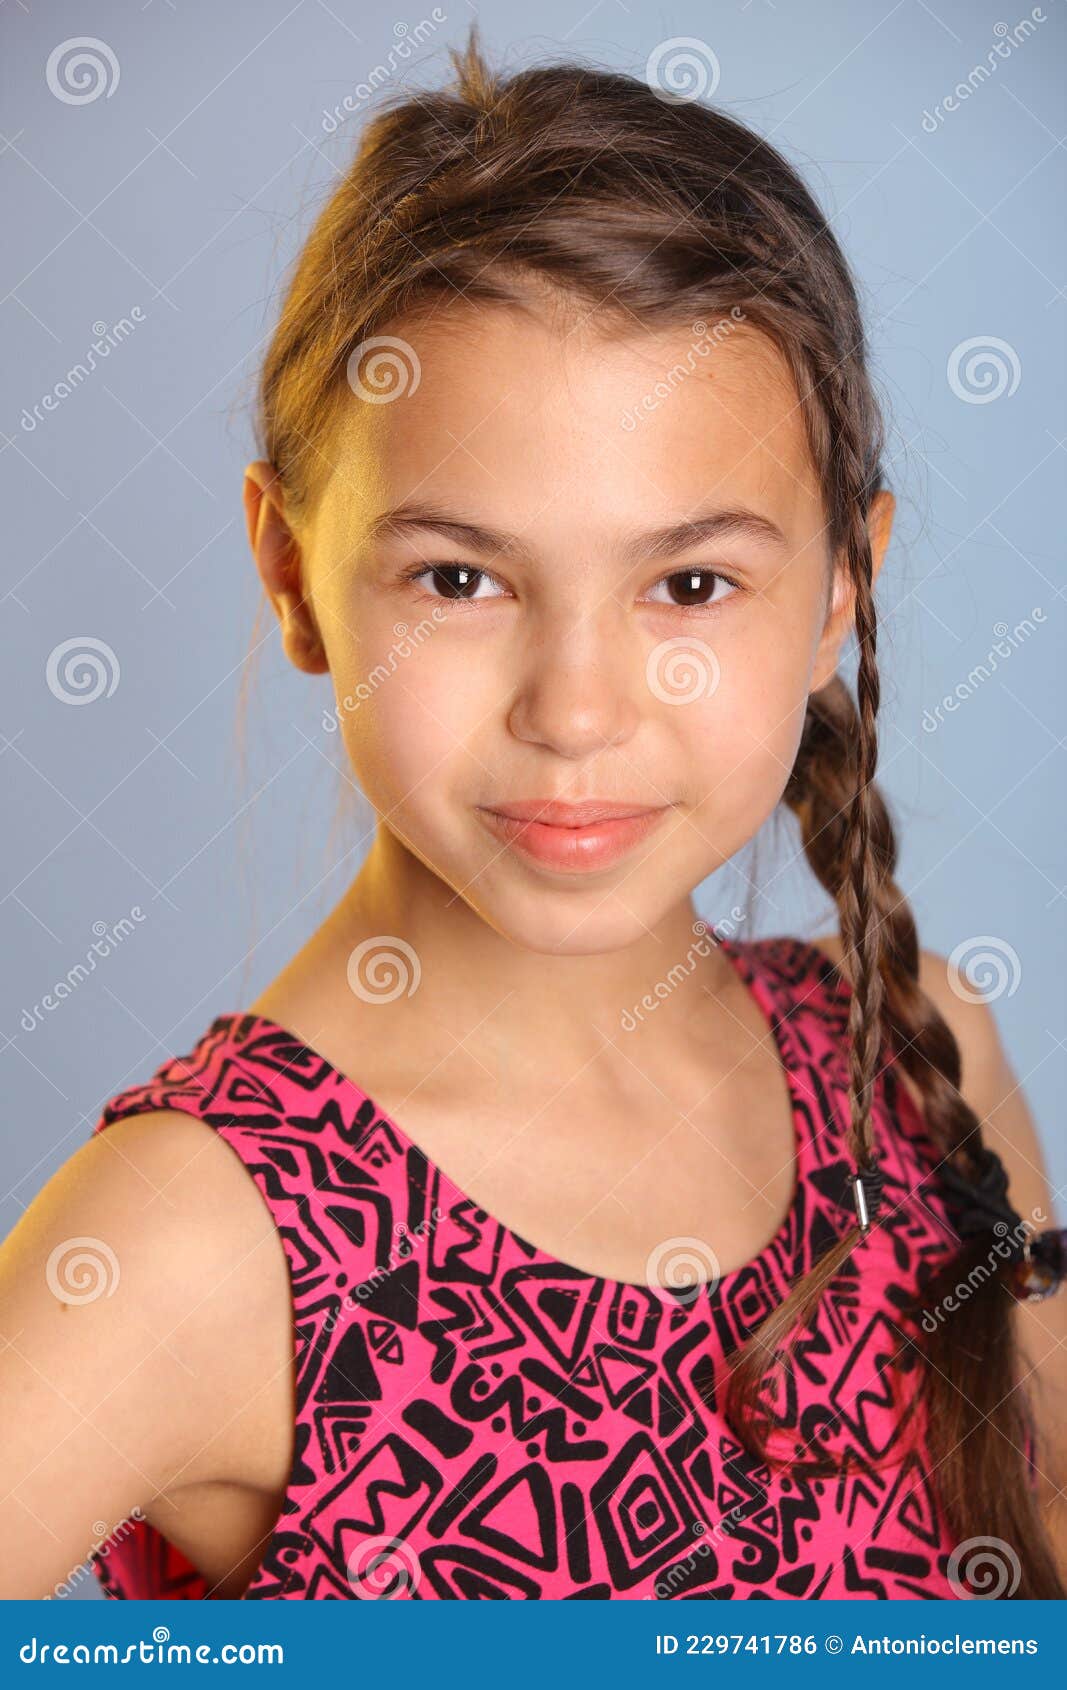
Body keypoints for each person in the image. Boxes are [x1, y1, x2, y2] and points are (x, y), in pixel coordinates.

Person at [3, 25, 1065, 1603]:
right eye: (461, 578)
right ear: (292, 571)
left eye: (689, 584)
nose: (576, 708)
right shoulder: (193, 1241)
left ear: (845, 583)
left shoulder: (920, 1061)